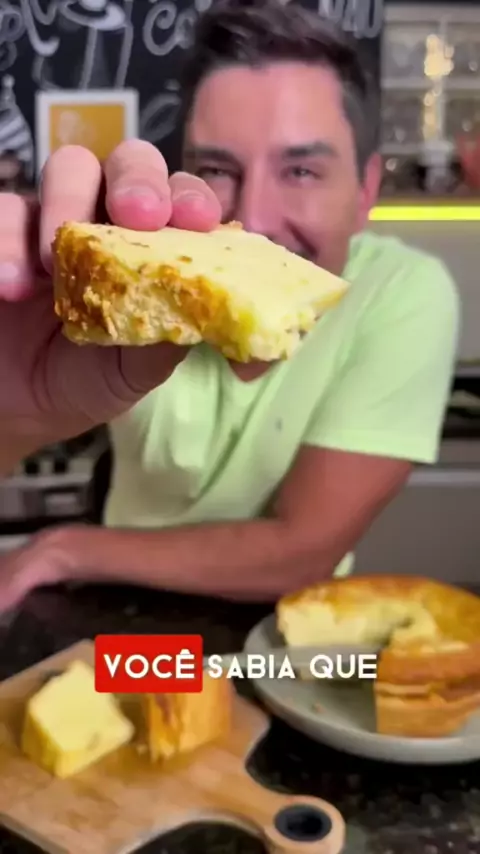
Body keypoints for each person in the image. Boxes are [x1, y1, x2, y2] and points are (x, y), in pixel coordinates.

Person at [0, 0, 459, 608]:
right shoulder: (138, 289)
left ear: (365, 189)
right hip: (116, 614)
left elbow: (303, 549)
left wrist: (62, 549)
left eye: (301, 171)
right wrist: (15, 411)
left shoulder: (404, 293)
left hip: (290, 630)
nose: (256, 219)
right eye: (217, 168)